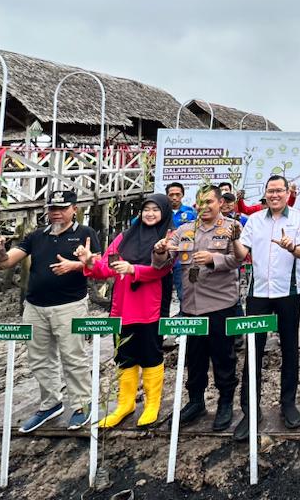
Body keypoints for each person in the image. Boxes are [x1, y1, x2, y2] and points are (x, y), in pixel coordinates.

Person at [0, 190, 96, 432]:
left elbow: (97, 265)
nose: (56, 213)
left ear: (74, 209)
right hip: (35, 306)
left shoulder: (85, 233)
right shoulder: (36, 236)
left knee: (73, 357)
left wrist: (76, 264)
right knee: (38, 359)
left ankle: (82, 405)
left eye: (62, 208)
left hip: (70, 305)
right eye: (52, 208)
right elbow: (4, 263)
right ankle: (50, 404)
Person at [77, 193, 174, 428]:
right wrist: (90, 262)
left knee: (151, 353)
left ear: (164, 213)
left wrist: (133, 269)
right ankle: (125, 403)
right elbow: (107, 267)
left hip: (151, 305)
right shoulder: (124, 237)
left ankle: (152, 404)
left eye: (156, 209)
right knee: (124, 354)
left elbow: (163, 268)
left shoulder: (168, 237)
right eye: (146, 209)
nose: (150, 213)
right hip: (123, 306)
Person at [153, 186, 244, 432]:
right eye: (200, 202)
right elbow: (163, 260)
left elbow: (239, 259)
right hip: (190, 307)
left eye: (210, 202)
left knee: (223, 358)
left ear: (219, 203)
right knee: (194, 359)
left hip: (219, 306)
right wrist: (159, 251)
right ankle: (196, 401)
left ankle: (225, 402)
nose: (205, 207)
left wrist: (214, 259)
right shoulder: (184, 230)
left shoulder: (231, 228)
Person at [234, 175, 300, 437]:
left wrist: (292, 247)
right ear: (265, 194)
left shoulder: (299, 218)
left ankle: (288, 404)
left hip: (289, 292)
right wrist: (234, 239)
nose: (275, 195)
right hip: (257, 293)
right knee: (253, 350)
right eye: (270, 191)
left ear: (287, 193)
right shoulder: (254, 220)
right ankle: (250, 410)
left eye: (279, 190)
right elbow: (240, 254)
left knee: (290, 348)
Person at [163, 182, 197, 312]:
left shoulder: (191, 213)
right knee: (163, 295)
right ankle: (163, 322)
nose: (174, 197)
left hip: (182, 261)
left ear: (182, 195)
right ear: (167, 196)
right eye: (171, 195)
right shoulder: (160, 212)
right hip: (163, 260)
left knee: (184, 293)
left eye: (177, 194)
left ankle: (184, 320)